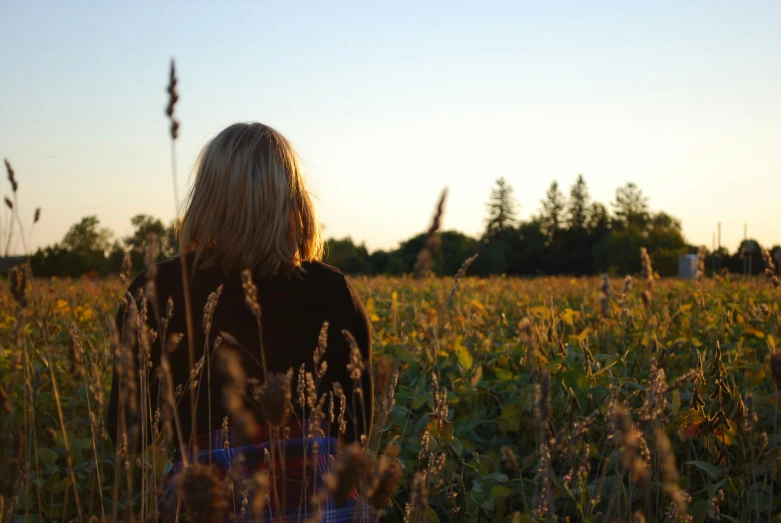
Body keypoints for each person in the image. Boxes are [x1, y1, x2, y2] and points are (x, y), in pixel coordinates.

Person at [107, 122, 374, 522]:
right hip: (322, 499)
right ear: (294, 199)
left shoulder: (156, 288)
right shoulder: (331, 289)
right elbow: (357, 425)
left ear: (206, 198)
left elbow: (128, 434)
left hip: (206, 500)